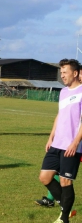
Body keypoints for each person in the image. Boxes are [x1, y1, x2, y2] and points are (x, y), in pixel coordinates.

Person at [39, 59, 82, 223]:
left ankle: (64, 218)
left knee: (65, 181)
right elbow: (59, 115)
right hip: (57, 143)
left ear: (76, 73)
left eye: (65, 72)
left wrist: (75, 142)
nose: (62, 75)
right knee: (45, 177)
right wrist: (51, 137)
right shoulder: (63, 92)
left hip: (72, 145)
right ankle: (66, 208)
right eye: (61, 72)